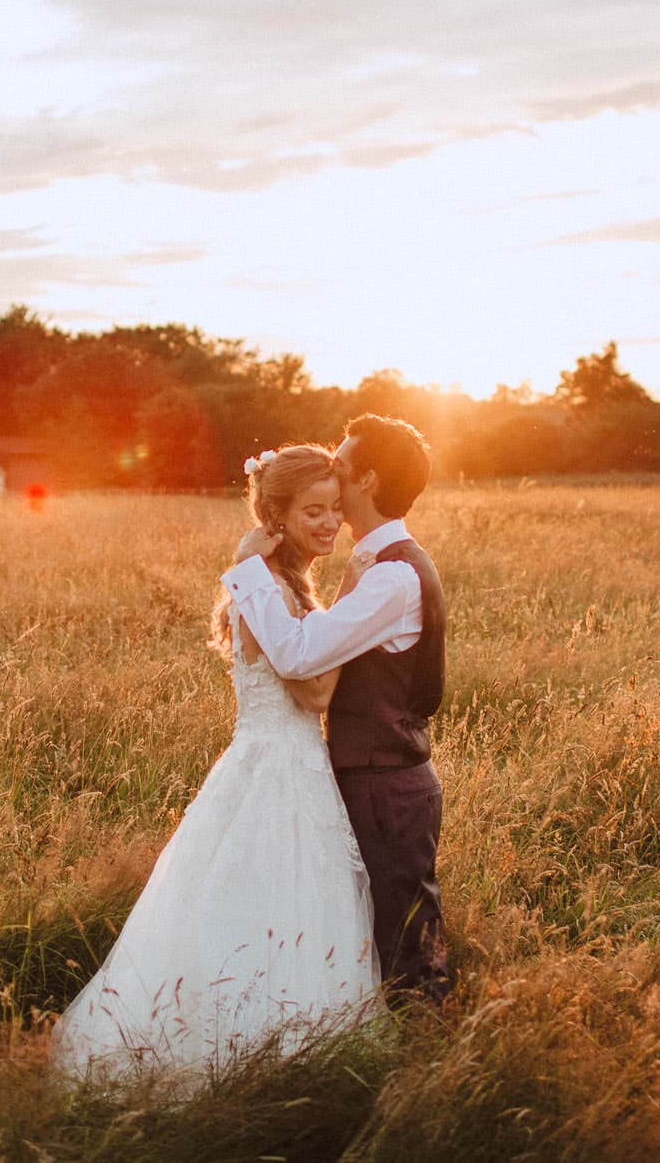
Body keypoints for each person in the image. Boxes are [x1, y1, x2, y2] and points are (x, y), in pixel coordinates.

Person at [50, 444, 379, 1087]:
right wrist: (353, 607)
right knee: (267, 907)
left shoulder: (278, 584)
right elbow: (312, 692)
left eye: (336, 509)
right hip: (277, 771)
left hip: (285, 763)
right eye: (312, 510)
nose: (329, 524)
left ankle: (299, 1057)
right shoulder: (269, 588)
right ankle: (246, 1056)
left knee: (284, 908)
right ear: (275, 516)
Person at [223, 415, 453, 1006]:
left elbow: (302, 660)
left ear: (369, 482)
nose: (334, 478)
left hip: (386, 783)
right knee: (376, 934)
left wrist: (247, 568)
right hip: (367, 778)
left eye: (344, 471)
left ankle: (428, 1056)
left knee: (406, 945)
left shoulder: (392, 575)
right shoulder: (378, 570)